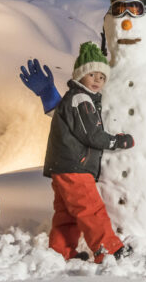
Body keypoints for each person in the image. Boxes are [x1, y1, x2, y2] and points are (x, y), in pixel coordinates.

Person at [45, 41, 134, 262]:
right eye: (92, 74)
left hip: (62, 166)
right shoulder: (81, 100)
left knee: (67, 213)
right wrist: (118, 141)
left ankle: (60, 251)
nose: (97, 80)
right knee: (90, 209)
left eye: (101, 77)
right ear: (79, 75)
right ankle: (108, 249)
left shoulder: (76, 98)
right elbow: (91, 135)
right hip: (75, 166)